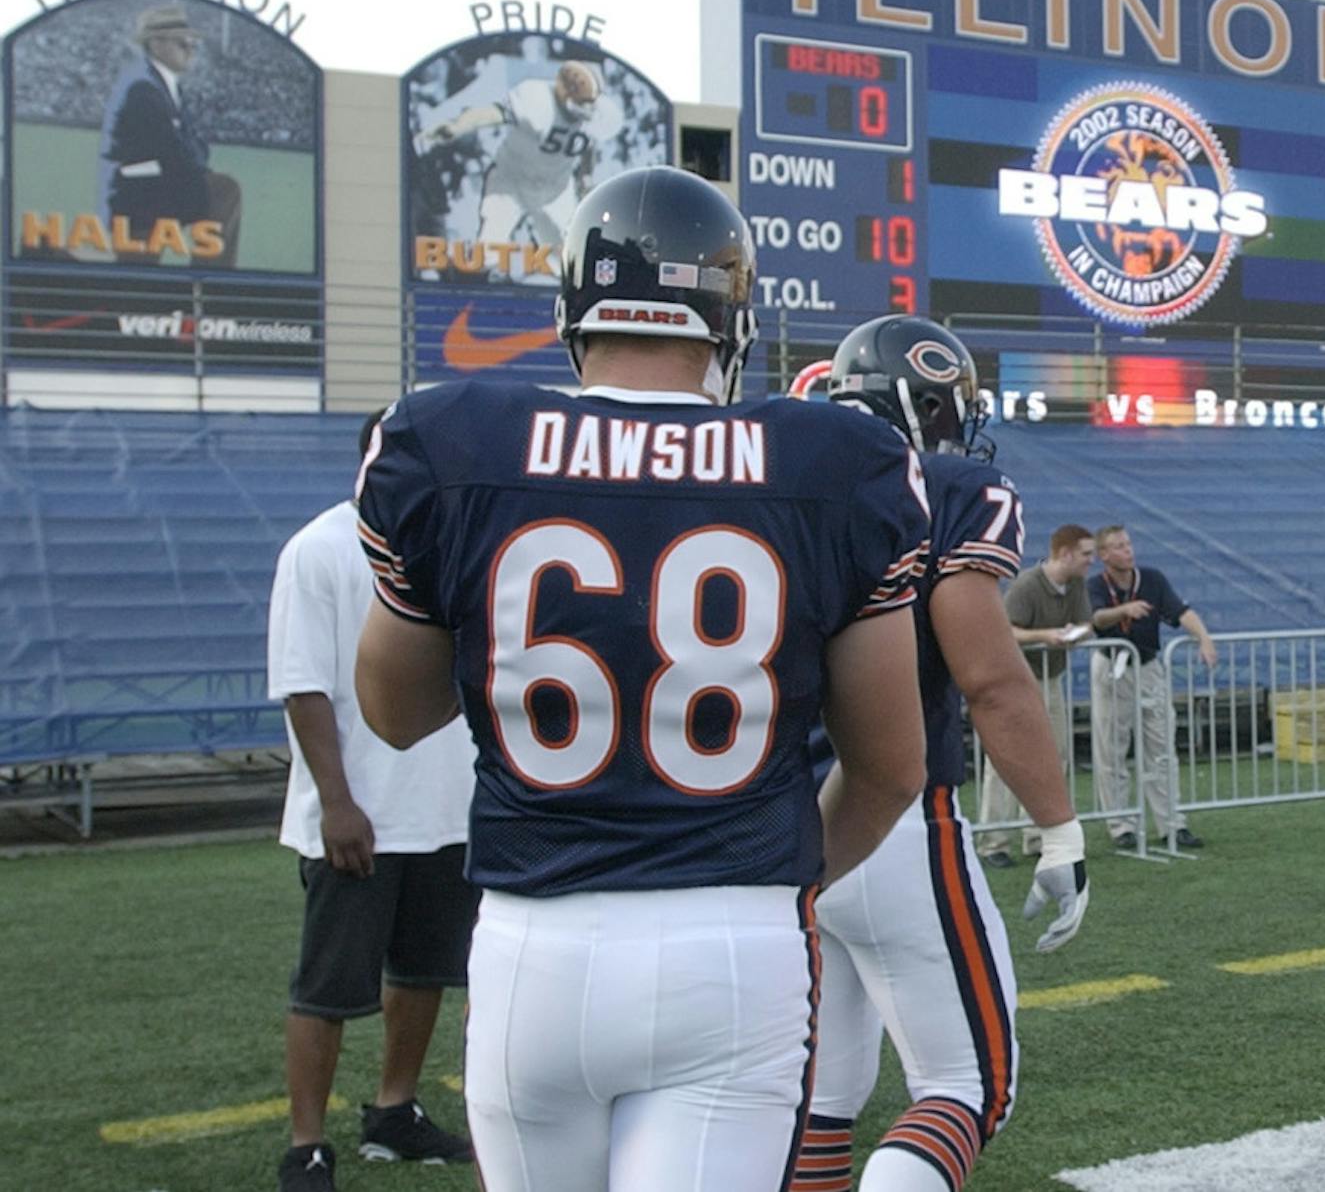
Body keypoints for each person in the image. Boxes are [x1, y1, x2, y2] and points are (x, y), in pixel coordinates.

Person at [350, 166, 930, 1192]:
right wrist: (770, 887)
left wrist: (492, 617)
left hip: (534, 943)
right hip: (734, 940)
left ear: (576, 306)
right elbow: (887, 767)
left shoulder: (453, 444)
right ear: (730, 314)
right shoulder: (835, 460)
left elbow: (394, 715)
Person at [797, 315, 1090, 1192]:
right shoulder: (950, 483)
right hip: (889, 812)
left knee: (826, 1093)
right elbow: (989, 677)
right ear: (923, 405)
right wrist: (1061, 831)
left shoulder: (784, 476)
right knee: (968, 1085)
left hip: (785, 820)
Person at [269, 411, 479, 1192]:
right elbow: (303, 684)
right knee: (327, 988)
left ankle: (394, 1112)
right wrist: (337, 803)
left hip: (443, 810)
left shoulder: (447, 543)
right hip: (359, 812)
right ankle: (307, 1144)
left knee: (423, 972)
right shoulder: (319, 549)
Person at [1087, 525, 1216, 851]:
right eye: (1118, 546)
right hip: (1112, 667)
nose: (1127, 550)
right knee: (1112, 748)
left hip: (1147, 666)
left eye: (1128, 544)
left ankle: (1172, 823)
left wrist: (1203, 638)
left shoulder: (1152, 579)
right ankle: (1120, 825)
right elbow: (1097, 618)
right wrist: (1124, 611)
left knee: (1161, 746)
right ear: (1104, 555)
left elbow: (1180, 611)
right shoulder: (1095, 586)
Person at [980, 524, 1097, 867]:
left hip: (1051, 677)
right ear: (1065, 553)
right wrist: (1047, 636)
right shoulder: (1027, 585)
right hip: (1014, 680)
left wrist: (1077, 633)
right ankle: (993, 842)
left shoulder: (1076, 585)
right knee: (1004, 760)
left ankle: (1038, 836)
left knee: (1054, 755)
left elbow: (1087, 622)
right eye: (1087, 554)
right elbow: (1004, 632)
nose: (1092, 561)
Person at [420, 60, 620, 261]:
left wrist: (585, 176)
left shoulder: (598, 114)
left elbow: (588, 144)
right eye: (581, 104)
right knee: (488, 253)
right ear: (564, 93)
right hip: (511, 181)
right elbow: (492, 114)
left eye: (589, 104)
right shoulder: (537, 99)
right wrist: (458, 126)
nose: (586, 112)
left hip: (555, 189)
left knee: (570, 261)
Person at [98, 1, 242, 268]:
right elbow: (173, 151)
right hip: (143, 196)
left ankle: (209, 280)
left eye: (192, 44)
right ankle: (210, 282)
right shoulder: (143, 89)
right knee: (224, 190)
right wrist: (196, 164)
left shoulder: (165, 87)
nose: (191, 50)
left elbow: (194, 148)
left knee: (222, 188)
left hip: (161, 189)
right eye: (182, 44)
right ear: (155, 44)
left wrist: (194, 161)